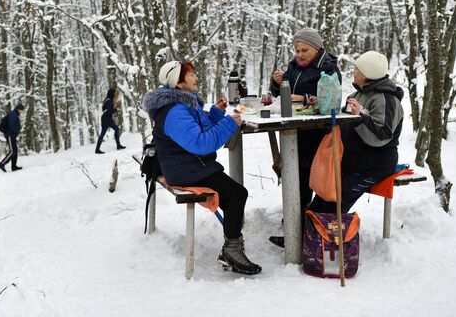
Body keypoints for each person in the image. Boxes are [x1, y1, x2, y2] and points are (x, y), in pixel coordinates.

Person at [142, 60, 262, 275]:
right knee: (236, 194)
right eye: (190, 75)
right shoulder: (175, 111)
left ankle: (233, 242)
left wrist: (215, 115)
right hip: (186, 170)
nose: (196, 78)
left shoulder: (183, 105)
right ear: (178, 83)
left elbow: (194, 128)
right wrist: (228, 123)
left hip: (192, 165)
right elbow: (200, 144)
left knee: (233, 195)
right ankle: (232, 250)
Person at [268, 28, 342, 247]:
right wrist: (277, 82)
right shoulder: (293, 67)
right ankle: (295, 227)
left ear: (316, 48)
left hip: (317, 133)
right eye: (297, 50)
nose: (299, 54)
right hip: (295, 130)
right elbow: (280, 94)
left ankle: (301, 231)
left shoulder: (328, 68)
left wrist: (304, 97)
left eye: (304, 50)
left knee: (305, 178)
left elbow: (332, 99)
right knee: (293, 175)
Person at [308, 51, 404, 213]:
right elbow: (341, 119)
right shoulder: (356, 95)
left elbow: (381, 136)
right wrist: (322, 102)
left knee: (334, 201)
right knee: (322, 196)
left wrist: (360, 115)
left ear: (368, 74)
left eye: (357, 70)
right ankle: (305, 235)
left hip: (373, 166)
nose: (354, 72)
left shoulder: (387, 99)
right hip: (352, 163)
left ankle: (325, 236)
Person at [95, 87, 126, 154]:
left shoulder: (107, 99)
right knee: (107, 132)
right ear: (112, 94)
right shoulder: (109, 101)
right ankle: (98, 149)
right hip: (107, 119)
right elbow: (109, 111)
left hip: (106, 118)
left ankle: (118, 146)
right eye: (114, 93)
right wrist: (115, 110)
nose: (115, 94)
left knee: (114, 129)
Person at [0, 103, 25, 172]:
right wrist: (15, 132)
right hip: (10, 134)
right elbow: (11, 125)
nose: (22, 112)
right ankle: (2, 164)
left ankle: (14, 166)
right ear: (19, 109)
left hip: (12, 135)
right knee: (12, 151)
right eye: (22, 110)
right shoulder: (13, 114)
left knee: (15, 150)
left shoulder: (15, 114)